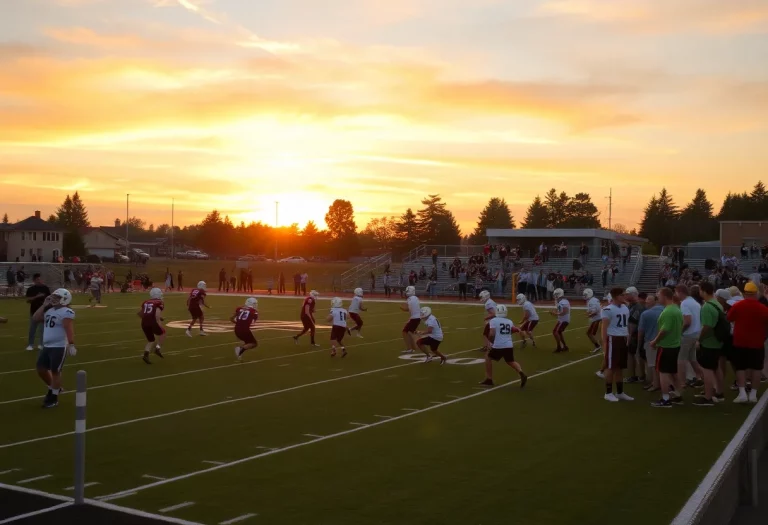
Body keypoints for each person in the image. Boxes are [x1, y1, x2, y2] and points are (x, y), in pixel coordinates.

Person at [33, 288, 76, 409]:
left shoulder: (66, 311)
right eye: (54, 297)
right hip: (47, 346)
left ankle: (53, 397)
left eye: (57, 297)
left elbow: (68, 328)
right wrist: (44, 305)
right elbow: (35, 318)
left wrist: (71, 344)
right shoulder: (49, 310)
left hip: (58, 346)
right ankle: (54, 388)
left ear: (65, 299)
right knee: (41, 369)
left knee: (55, 371)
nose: (54, 299)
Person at [727, 282, 768, 403]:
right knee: (756, 368)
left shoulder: (738, 305)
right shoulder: (763, 308)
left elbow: (729, 318)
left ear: (744, 293)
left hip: (740, 341)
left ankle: (742, 393)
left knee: (740, 368)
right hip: (757, 342)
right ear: (756, 294)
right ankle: (753, 395)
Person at [650, 288, 684, 408]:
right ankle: (678, 394)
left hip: (666, 346)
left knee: (663, 372)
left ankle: (665, 399)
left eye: (659, 295)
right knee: (672, 371)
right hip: (674, 344)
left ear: (664, 296)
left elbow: (665, 329)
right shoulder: (676, 309)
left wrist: (655, 341)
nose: (657, 297)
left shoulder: (668, 311)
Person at [479, 304, 528, 388]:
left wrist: (491, 342)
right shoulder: (509, 321)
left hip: (498, 345)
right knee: (510, 361)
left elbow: (491, 333)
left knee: (488, 357)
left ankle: (489, 379)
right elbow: (510, 331)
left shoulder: (494, 321)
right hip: (508, 345)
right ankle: (521, 372)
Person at [694, 282, 727, 406]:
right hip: (717, 341)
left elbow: (707, 326)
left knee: (707, 369)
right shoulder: (717, 303)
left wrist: (699, 339)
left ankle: (708, 397)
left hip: (709, 342)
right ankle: (719, 392)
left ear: (703, 291)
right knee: (715, 367)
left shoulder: (707, 306)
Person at [601, 288, 634, 402]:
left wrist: (627, 335)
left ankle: (620, 392)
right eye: (622, 295)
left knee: (620, 366)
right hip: (613, 339)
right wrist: (605, 343)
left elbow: (625, 325)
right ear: (615, 296)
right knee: (611, 367)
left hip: (623, 338)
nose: (624, 296)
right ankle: (608, 392)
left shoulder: (625, 307)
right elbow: (604, 329)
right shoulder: (608, 309)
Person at [676, 285, 704, 394]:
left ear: (680, 292)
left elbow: (687, 321)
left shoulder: (685, 303)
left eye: (677, 293)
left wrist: (680, 332)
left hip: (687, 334)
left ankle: (682, 383)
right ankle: (701, 377)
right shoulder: (695, 303)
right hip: (695, 333)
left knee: (681, 360)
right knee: (692, 359)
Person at [637, 294, 664, 391]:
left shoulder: (646, 313)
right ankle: (661, 383)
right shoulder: (664, 310)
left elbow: (641, 330)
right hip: (664, 341)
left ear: (655, 301)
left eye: (649, 299)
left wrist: (639, 342)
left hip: (651, 341)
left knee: (653, 365)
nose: (646, 301)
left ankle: (656, 384)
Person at [139, 287, 166, 364]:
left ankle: (146, 355)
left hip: (144, 323)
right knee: (163, 333)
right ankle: (157, 349)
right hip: (152, 322)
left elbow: (141, 314)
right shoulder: (159, 302)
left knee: (151, 340)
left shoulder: (146, 302)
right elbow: (157, 315)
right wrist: (159, 323)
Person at [25, 274, 50, 351]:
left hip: (43, 311)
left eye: (40, 279)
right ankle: (30, 344)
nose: (40, 281)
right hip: (34, 311)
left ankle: (41, 344)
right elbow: (28, 300)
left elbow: (49, 298)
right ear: (34, 280)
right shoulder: (31, 289)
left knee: (42, 329)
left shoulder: (45, 288)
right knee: (32, 329)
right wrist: (37, 296)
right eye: (38, 279)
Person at [625, 287, 646, 383]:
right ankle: (639, 375)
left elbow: (632, 324)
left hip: (635, 334)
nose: (625, 296)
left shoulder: (637, 307)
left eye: (627, 294)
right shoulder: (632, 306)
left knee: (633, 355)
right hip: (635, 334)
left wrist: (628, 336)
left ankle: (637, 375)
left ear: (633, 294)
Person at [400, 286, 421, 354]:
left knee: (404, 332)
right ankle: (413, 347)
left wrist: (401, 307)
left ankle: (410, 348)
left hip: (414, 318)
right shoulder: (416, 298)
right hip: (417, 318)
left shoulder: (409, 299)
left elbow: (407, 309)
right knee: (409, 332)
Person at [550, 288, 570, 353]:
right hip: (562, 320)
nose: (555, 296)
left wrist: (555, 313)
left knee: (555, 332)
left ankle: (559, 347)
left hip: (563, 320)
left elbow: (565, 312)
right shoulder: (561, 301)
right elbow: (561, 311)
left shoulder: (563, 302)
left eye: (556, 294)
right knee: (558, 332)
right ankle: (564, 346)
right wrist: (555, 313)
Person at [584, 288, 602, 354]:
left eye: (585, 294)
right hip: (597, 319)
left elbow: (595, 311)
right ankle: (598, 346)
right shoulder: (592, 300)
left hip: (597, 319)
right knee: (590, 333)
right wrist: (589, 313)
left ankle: (599, 346)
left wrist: (590, 314)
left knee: (592, 333)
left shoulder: (592, 301)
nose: (584, 296)